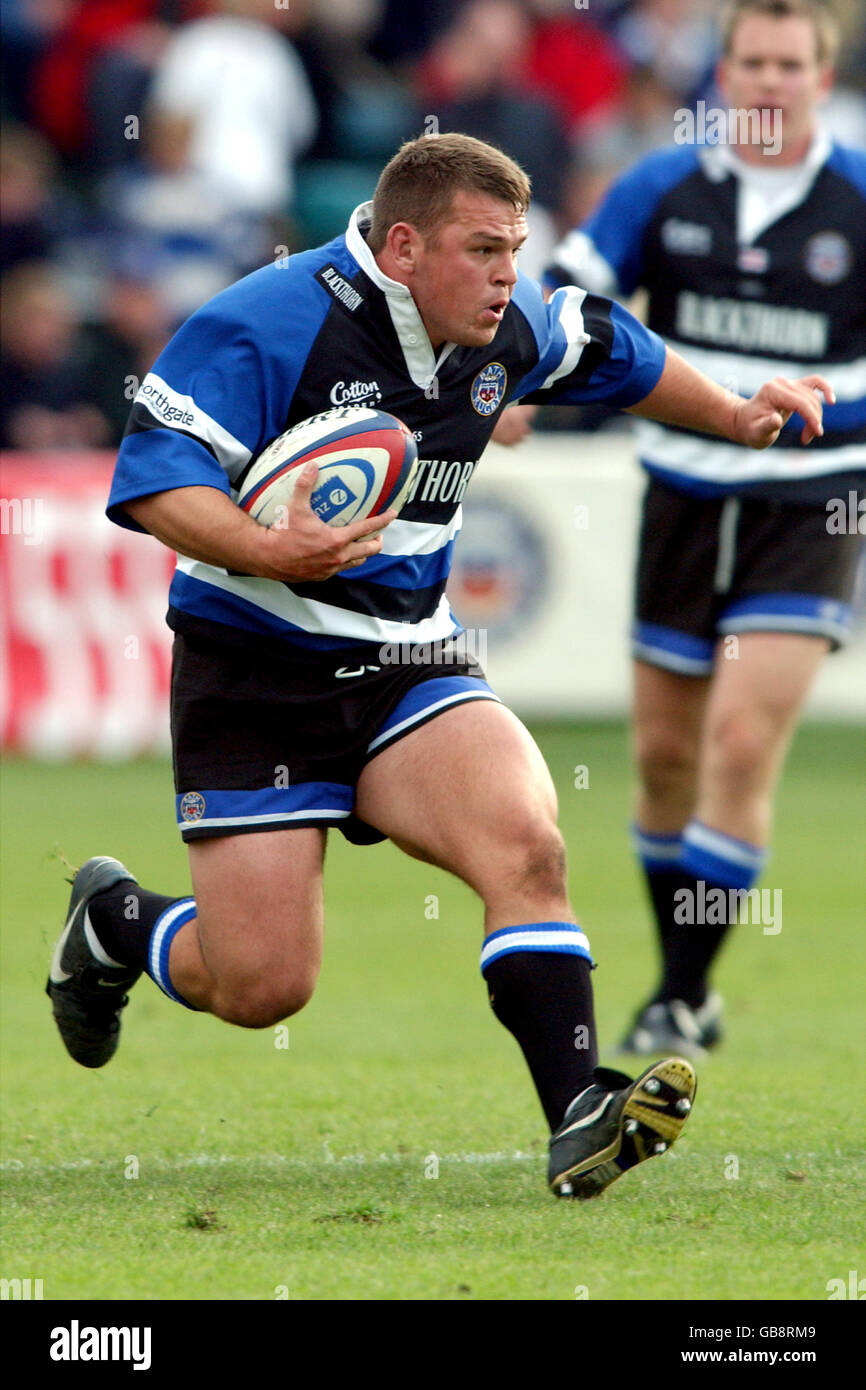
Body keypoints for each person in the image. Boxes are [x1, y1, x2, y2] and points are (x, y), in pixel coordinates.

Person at [47, 132, 831, 1200]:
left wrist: (735, 416)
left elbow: (616, 350)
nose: (508, 272)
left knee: (526, 844)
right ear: (404, 246)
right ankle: (113, 923)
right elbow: (155, 479)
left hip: (408, 660)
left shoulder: (508, 322)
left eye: (515, 246)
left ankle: (577, 1111)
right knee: (261, 984)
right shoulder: (267, 321)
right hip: (253, 671)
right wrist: (267, 546)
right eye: (482, 248)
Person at [543, 0, 865, 1056]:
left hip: (809, 499)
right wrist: (512, 386)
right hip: (679, 493)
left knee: (736, 743)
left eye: (790, 64)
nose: (769, 82)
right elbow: (569, 295)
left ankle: (679, 994)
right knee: (665, 758)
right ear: (720, 75)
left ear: (822, 78)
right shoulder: (655, 186)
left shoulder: (855, 195)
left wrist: (813, 407)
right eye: (751, 62)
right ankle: (683, 983)